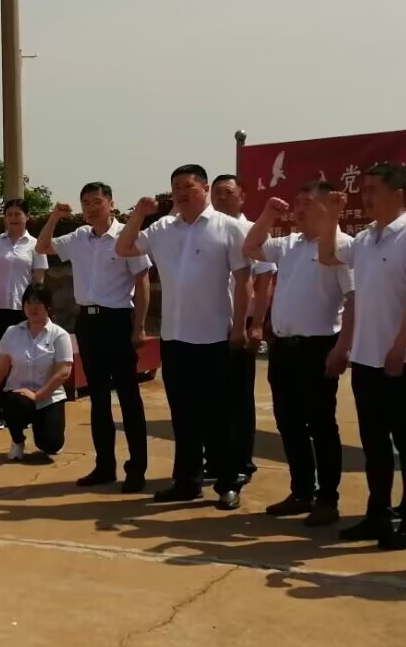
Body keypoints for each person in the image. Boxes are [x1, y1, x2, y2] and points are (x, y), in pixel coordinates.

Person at [117, 164, 254, 509]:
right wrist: (139, 214)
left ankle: (228, 482)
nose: (181, 192)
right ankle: (187, 481)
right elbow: (124, 247)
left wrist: (240, 327)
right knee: (183, 414)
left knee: (219, 416)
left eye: (188, 186)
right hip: (175, 338)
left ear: (205, 188)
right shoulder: (162, 228)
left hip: (214, 337)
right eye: (175, 186)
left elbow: (243, 281)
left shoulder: (229, 227)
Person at [320, 163, 406, 550]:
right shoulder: (367, 237)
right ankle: (377, 516)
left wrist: (400, 346)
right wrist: (333, 214)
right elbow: (327, 254)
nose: (366, 196)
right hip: (366, 360)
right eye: (364, 189)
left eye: (373, 189)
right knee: (374, 445)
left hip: (400, 360)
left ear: (399, 193)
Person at [242, 181, 352, 525]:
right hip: (284, 349)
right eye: (297, 202)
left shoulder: (342, 247)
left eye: (307, 202)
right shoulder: (288, 244)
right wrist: (266, 215)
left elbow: (354, 301)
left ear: (327, 207)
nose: (298, 209)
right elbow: (251, 246)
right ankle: (301, 491)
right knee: (289, 424)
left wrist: (343, 348)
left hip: (318, 348)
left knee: (321, 425)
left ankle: (328, 499)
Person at [36, 186, 152, 489]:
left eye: (97, 202)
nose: (91, 208)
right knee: (98, 398)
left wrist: (139, 327)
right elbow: (42, 247)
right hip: (88, 322)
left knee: (128, 396)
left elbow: (142, 282)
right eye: (85, 203)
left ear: (111, 203)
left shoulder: (127, 235)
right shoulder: (78, 237)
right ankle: (104, 466)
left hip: (118, 320)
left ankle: (136, 470)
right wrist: (54, 217)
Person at [211, 173, 276, 484]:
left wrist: (257, 325)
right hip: (209, 325)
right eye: (216, 193)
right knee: (212, 397)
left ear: (242, 197)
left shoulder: (252, 231)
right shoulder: (206, 230)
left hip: (242, 325)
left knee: (238, 397)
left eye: (228, 192)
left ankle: (241, 461)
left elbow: (265, 283)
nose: (221, 198)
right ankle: (215, 460)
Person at [0, 283, 74, 463]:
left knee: (51, 445)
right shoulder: (12, 333)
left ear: (48, 306)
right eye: (28, 302)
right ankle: (18, 440)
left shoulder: (59, 335)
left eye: (38, 302)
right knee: (14, 402)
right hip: (19, 396)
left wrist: (38, 395)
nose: (33, 307)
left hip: (49, 397)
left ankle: (42, 427)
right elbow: (0, 369)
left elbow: (63, 372)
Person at [0, 199, 48, 429]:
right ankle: (1, 410)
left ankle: (27, 408)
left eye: (18, 214)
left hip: (23, 311)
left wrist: (38, 310)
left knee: (24, 359)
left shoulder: (35, 245)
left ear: (27, 217)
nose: (13, 218)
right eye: (9, 214)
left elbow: (39, 281)